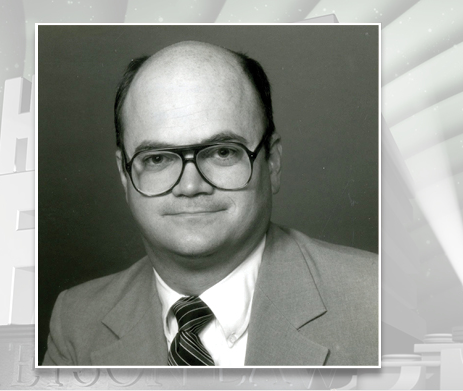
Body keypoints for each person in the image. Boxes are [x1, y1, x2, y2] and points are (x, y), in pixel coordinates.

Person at [42, 40, 378, 367]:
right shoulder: (76, 320)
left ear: (272, 162)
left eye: (223, 152)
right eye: (158, 158)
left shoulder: (376, 300)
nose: (191, 186)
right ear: (124, 174)